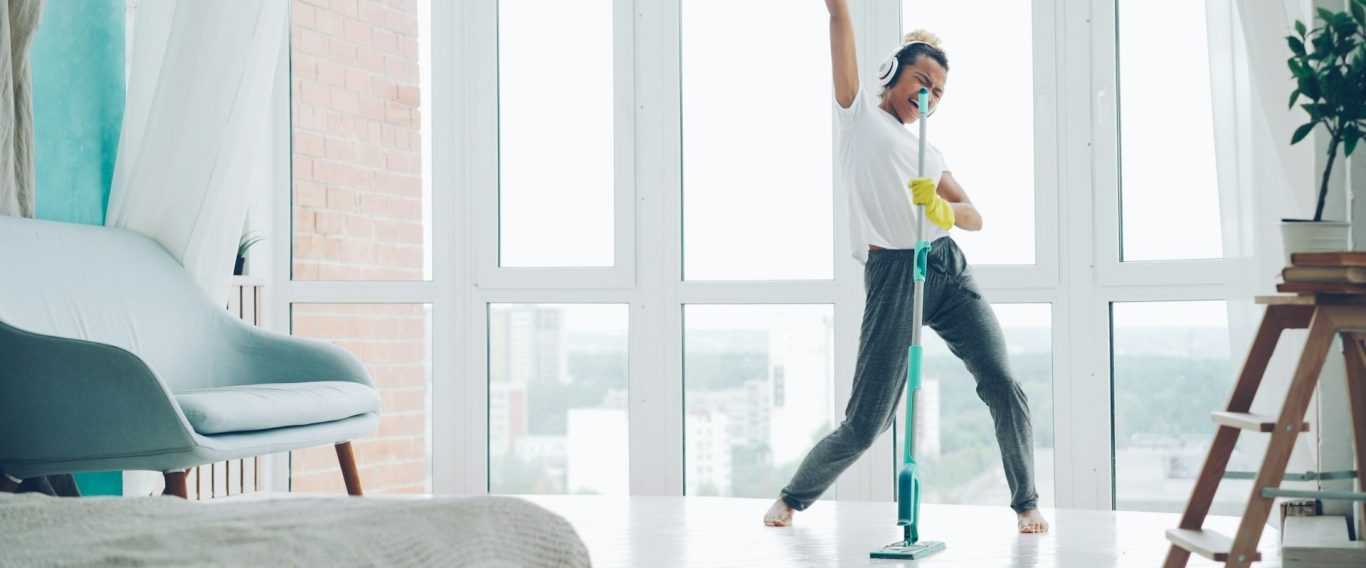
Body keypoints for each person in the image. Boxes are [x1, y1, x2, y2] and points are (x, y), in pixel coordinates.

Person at [762, 0, 1049, 535]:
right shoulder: (859, 118)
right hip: (893, 274)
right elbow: (839, 24)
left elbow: (975, 217)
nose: (929, 96)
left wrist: (942, 209)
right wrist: (838, 8)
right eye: (922, 81)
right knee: (867, 422)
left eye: (938, 92)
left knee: (1003, 384)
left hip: (947, 271)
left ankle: (1026, 504)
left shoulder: (929, 154)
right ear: (891, 74)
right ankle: (793, 497)